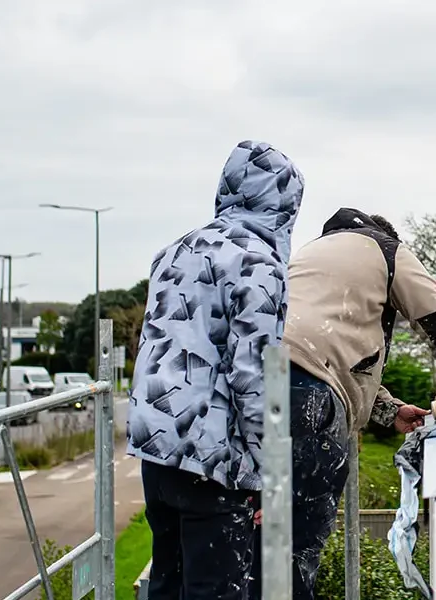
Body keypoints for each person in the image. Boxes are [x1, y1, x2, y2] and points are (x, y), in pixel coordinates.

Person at [249, 207, 436, 599]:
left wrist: (389, 410)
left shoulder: (307, 256)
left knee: (264, 542)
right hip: (308, 401)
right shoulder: (386, 250)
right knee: (295, 550)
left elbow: (329, 356)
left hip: (258, 388)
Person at [127, 140, 304, 599]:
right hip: (213, 461)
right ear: (284, 204)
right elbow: (256, 377)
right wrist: (271, 476)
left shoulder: (171, 253)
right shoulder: (260, 264)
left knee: (167, 586)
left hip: (157, 449)